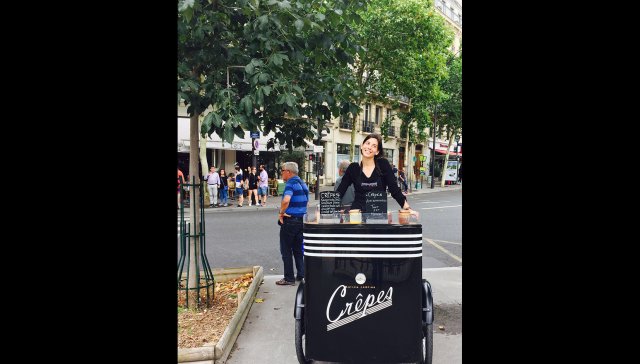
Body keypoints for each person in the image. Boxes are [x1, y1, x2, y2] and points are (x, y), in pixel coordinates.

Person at [336, 133, 411, 213]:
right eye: (368, 143)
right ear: (362, 145)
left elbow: (394, 189)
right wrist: (327, 209)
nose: (369, 147)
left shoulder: (383, 165)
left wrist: (407, 208)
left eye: (374, 146)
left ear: (377, 152)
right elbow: (339, 192)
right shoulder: (353, 168)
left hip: (378, 215)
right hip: (357, 215)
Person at [276, 161, 309, 286]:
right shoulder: (302, 182)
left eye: (282, 171)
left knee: (286, 250)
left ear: (288, 172)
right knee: (298, 249)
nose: (281, 173)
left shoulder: (290, 183)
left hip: (290, 220)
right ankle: (301, 274)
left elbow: (286, 200)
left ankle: (289, 278)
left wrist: (281, 213)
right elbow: (306, 200)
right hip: (301, 220)